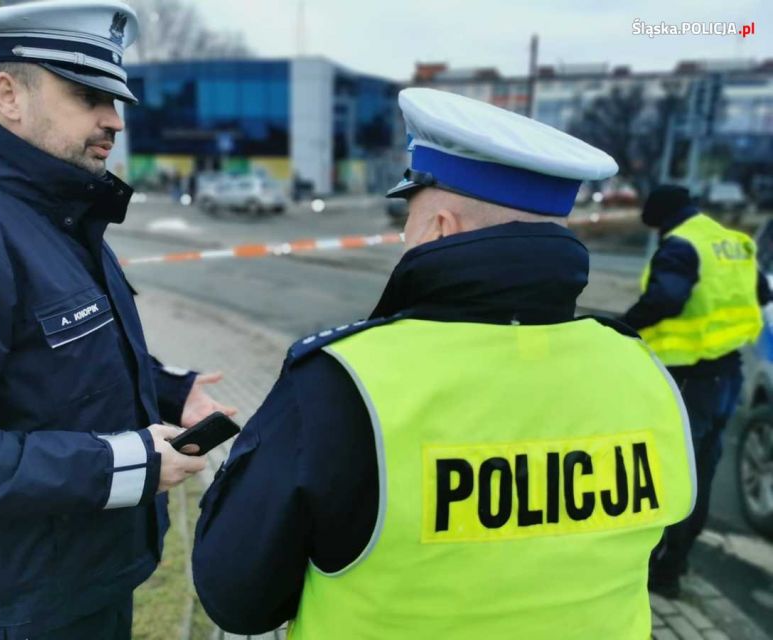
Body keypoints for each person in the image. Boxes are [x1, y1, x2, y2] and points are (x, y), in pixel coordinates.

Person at [192, 88, 697, 639]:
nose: (403, 235)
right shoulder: (641, 368)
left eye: (409, 215)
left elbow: (236, 599)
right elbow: (651, 542)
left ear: (439, 228)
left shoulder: (342, 383)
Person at [0, 2, 234, 638]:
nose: (113, 120)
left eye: (114, 97)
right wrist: (127, 465)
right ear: (8, 94)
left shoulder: (58, 214)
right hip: (29, 600)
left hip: (93, 573)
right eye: (88, 95)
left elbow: (57, 356)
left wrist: (173, 389)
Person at [620, 185, 770, 597]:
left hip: (689, 378)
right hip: (728, 374)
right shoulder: (729, 241)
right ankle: (676, 564)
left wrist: (622, 327)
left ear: (661, 215)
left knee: (672, 472)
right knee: (700, 471)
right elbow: (762, 293)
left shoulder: (681, 246)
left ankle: (661, 571)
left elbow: (666, 298)